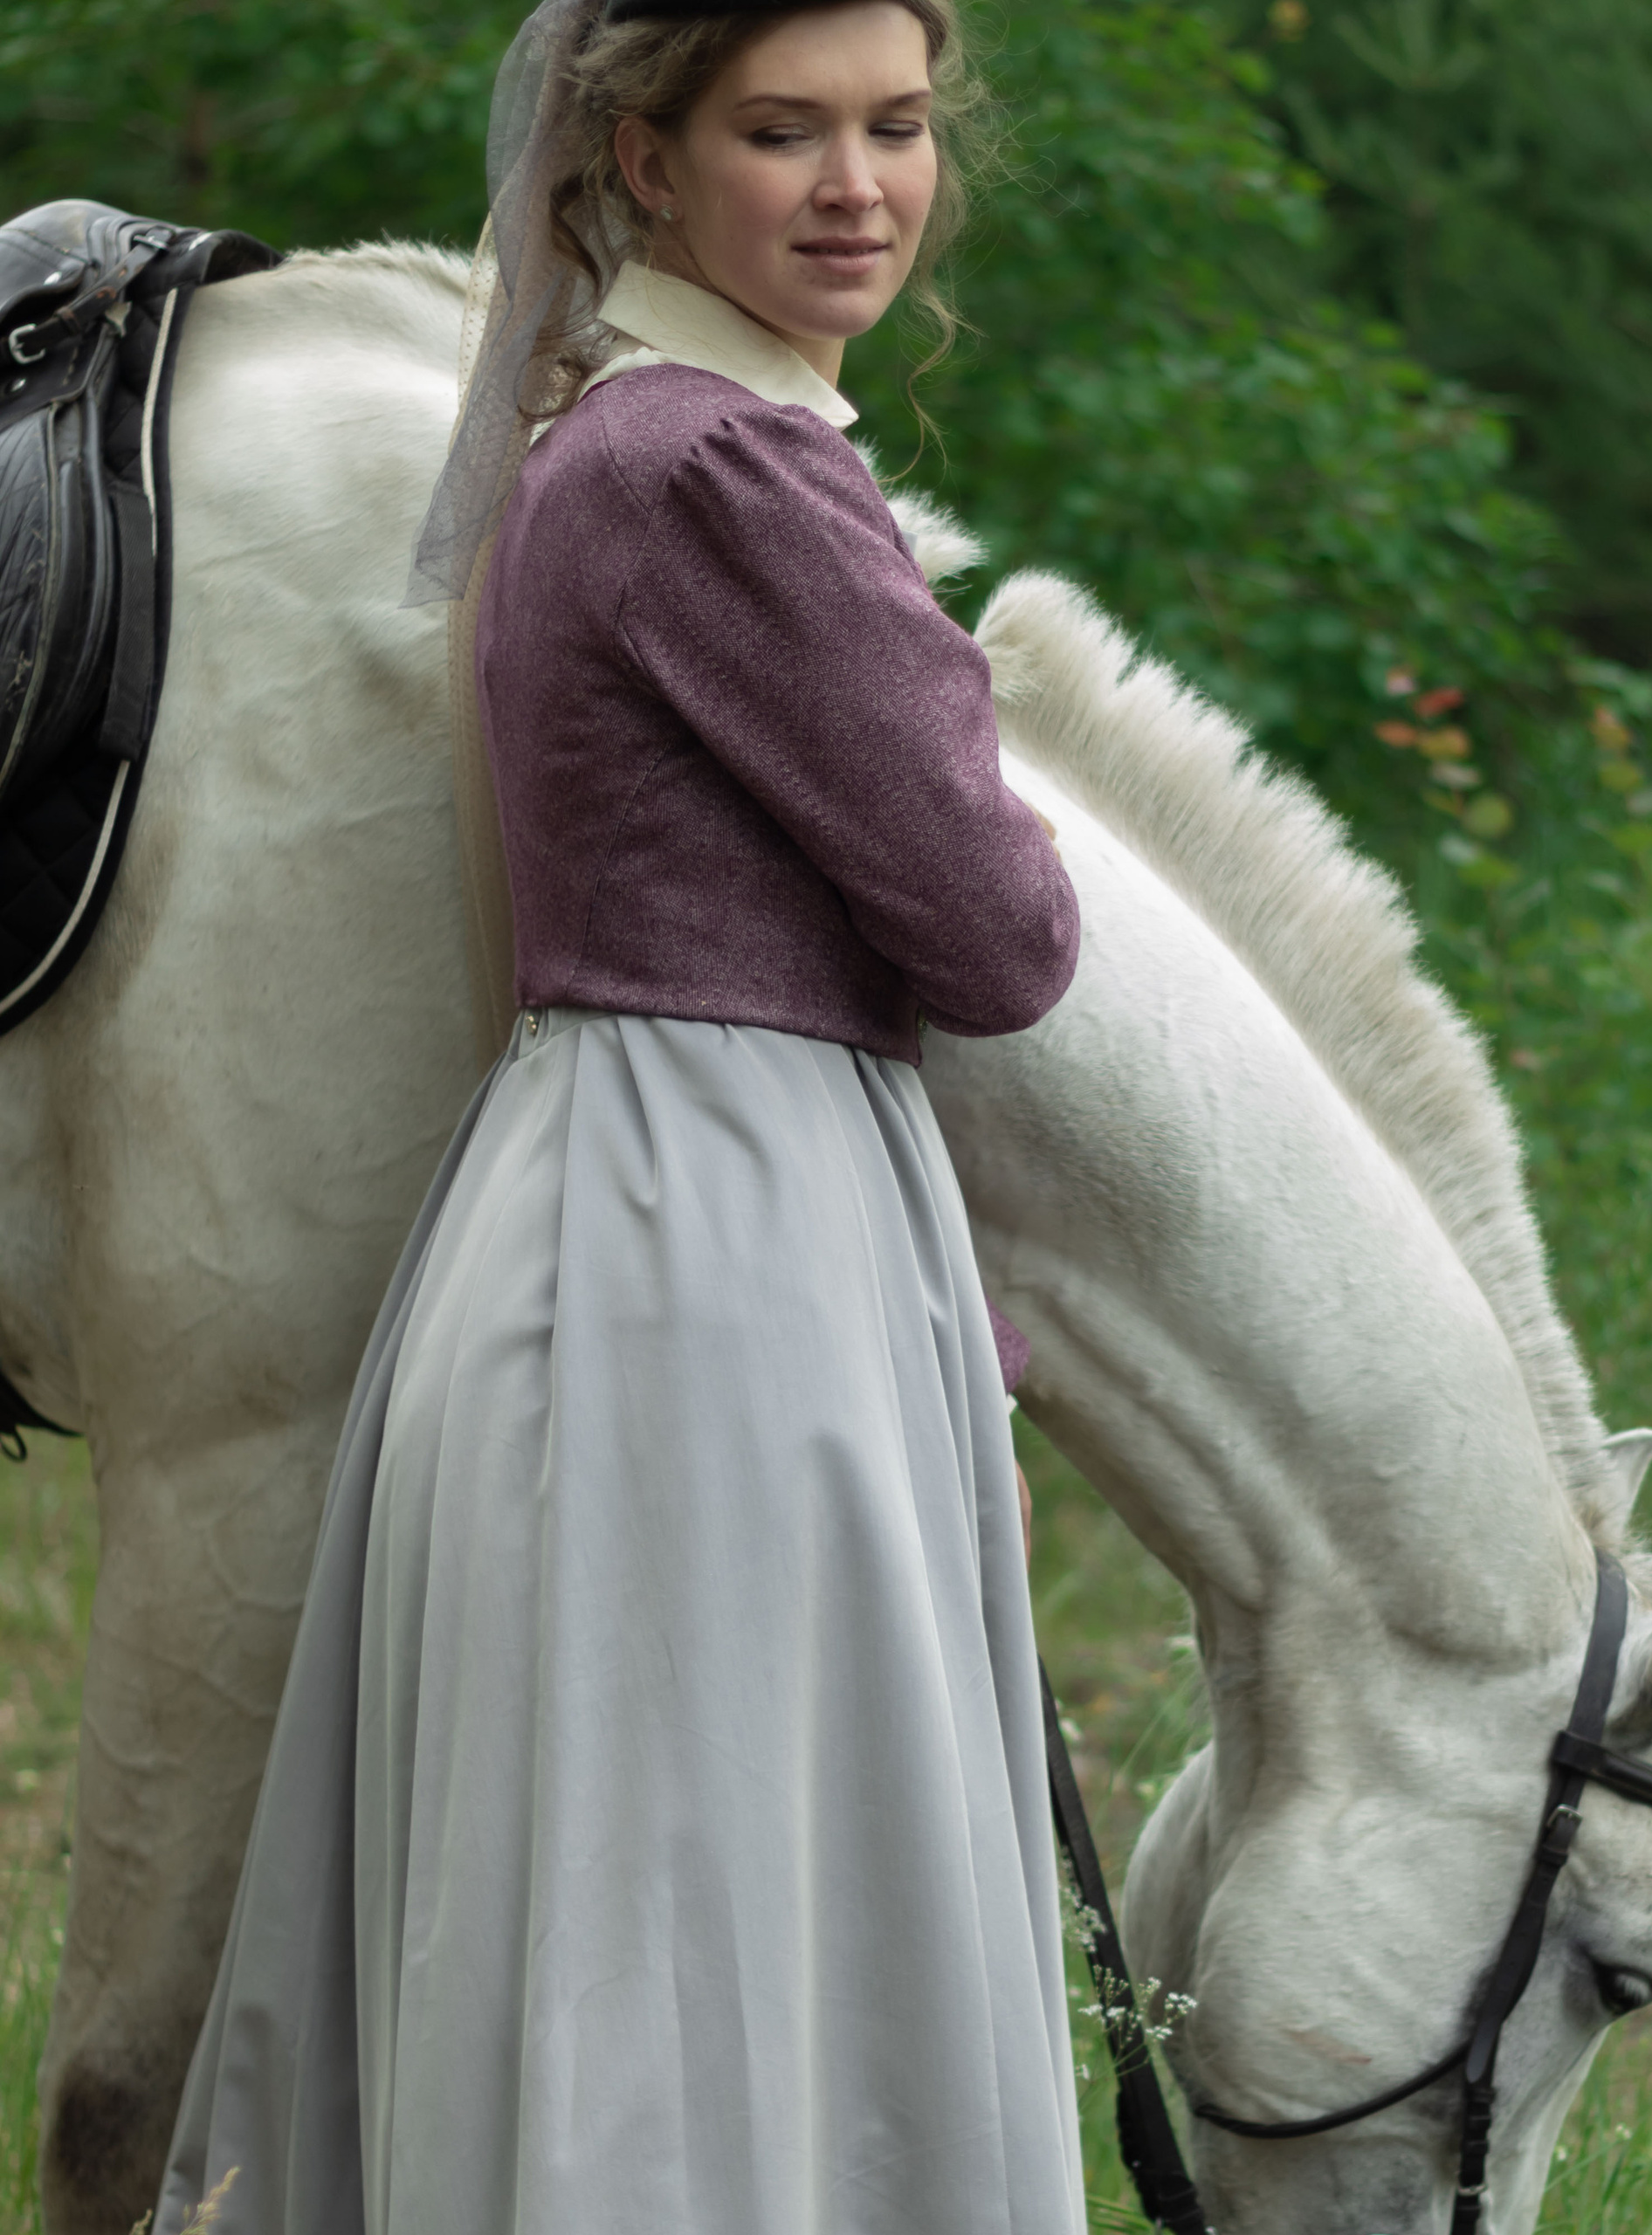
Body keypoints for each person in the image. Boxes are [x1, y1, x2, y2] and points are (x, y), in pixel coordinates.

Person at [155, 3, 1087, 2229]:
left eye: (896, 126)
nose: (858, 184)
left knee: (643, 1890)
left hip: (634, 1199)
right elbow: (1000, 930)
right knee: (701, 1909)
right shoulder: (716, 471)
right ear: (642, 160)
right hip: (715, 1249)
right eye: (783, 131)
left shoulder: (615, 433)